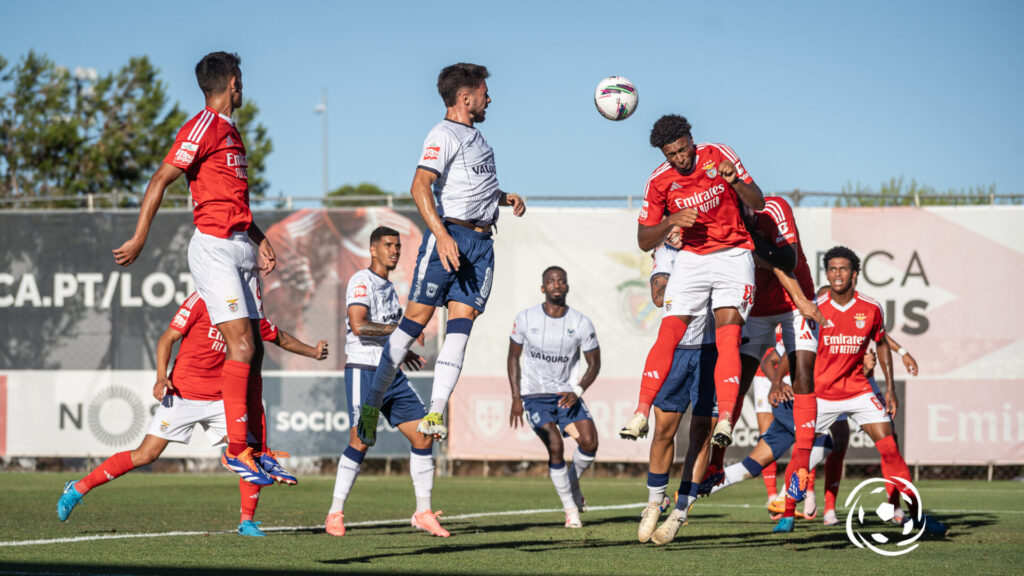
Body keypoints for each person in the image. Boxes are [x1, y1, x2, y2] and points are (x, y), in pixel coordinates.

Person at [112, 52, 281, 485]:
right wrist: (139, 237)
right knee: (241, 345)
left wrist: (259, 240)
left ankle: (255, 450)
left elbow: (234, 204)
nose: (243, 87)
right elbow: (159, 180)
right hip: (215, 250)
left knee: (256, 348)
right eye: (240, 80)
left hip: (241, 247)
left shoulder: (231, 132)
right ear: (232, 82)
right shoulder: (202, 126)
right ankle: (238, 450)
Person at [57, 293, 327, 537]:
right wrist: (161, 377)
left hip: (223, 399)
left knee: (248, 452)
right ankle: (78, 488)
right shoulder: (202, 300)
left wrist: (313, 352)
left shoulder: (246, 311)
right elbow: (167, 338)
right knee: (146, 455)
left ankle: (247, 522)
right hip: (183, 393)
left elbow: (279, 337)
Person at [357, 63, 525, 445]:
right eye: (484, 92)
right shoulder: (443, 133)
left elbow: (469, 185)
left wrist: (503, 197)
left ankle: (435, 412)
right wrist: (442, 236)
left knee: (460, 330)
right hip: (450, 238)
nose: (489, 98)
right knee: (414, 324)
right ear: (465, 99)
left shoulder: (479, 139)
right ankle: (371, 405)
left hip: (482, 246)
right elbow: (420, 186)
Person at [769, 246, 945, 535]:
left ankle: (916, 517)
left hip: (859, 391)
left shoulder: (871, 307)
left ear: (855, 274)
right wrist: (778, 382)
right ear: (827, 273)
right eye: (832, 269)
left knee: (890, 449)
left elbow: (882, 344)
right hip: (821, 395)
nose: (837, 274)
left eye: (843, 269)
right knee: (801, 456)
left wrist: (889, 390)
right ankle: (788, 515)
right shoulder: (814, 308)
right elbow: (797, 351)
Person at [620, 114, 765, 451]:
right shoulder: (658, 181)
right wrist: (671, 219)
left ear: (691, 140)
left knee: (728, 335)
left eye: (683, 150)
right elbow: (644, 239)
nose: (680, 158)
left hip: (733, 254)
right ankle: (640, 412)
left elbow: (757, 202)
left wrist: (737, 182)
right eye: (671, 155)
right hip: (692, 259)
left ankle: (727, 418)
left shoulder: (718, 154)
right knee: (669, 331)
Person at [326, 226, 449, 538]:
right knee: (361, 439)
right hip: (365, 373)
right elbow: (359, 325)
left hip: (390, 373)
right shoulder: (361, 280)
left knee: (423, 435)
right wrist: (400, 331)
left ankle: (422, 512)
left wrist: (401, 349)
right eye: (388, 245)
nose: (395, 250)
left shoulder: (390, 288)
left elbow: (388, 330)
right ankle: (335, 512)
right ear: (373, 250)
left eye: (397, 245)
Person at [634, 242, 719, 546]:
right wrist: (695, 280)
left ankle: (679, 513)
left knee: (701, 433)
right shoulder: (669, 251)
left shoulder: (723, 245)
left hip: (714, 350)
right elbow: (659, 297)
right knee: (663, 431)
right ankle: (655, 503)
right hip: (678, 350)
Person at [507, 266, 601, 529]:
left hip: (566, 395)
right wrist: (516, 397)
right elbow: (513, 356)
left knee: (590, 443)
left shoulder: (581, 322)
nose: (556, 284)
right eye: (550, 281)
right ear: (543, 288)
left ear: (567, 287)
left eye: (561, 281)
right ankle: (571, 510)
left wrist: (578, 391)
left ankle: (572, 481)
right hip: (535, 396)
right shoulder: (526, 319)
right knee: (556, 446)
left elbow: (594, 364)